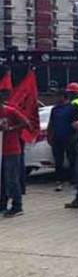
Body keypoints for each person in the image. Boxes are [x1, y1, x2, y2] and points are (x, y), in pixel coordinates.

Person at [0, 78, 30, 218]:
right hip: (0, 151)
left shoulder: (10, 111)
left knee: (11, 179)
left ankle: (17, 206)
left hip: (11, 150)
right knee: (1, 180)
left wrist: (11, 128)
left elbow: (27, 124)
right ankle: (2, 204)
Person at [47, 89, 78, 191]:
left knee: (72, 159)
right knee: (58, 160)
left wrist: (76, 136)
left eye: (58, 96)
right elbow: (51, 123)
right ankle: (59, 179)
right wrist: (49, 136)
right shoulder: (55, 109)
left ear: (64, 97)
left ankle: (74, 179)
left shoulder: (73, 108)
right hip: (57, 138)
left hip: (69, 138)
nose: (56, 99)